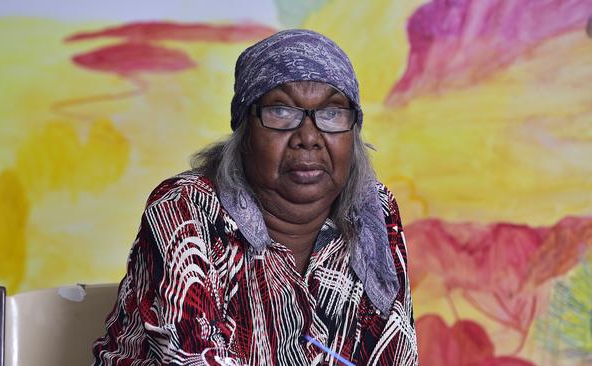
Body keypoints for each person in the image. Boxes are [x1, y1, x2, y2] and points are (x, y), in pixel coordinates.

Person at [92, 29, 418, 366]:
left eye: (333, 113)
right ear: (245, 129)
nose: (308, 137)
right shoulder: (185, 208)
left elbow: (398, 352)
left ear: (353, 130)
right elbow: (189, 357)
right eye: (281, 111)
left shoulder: (374, 212)